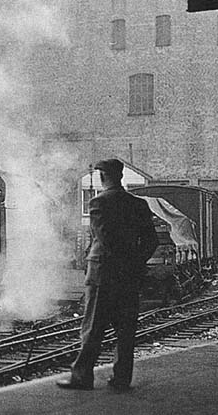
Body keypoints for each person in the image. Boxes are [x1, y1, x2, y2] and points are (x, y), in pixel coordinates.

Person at [57, 158, 158, 392]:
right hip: (129, 277)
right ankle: (122, 378)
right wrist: (135, 263)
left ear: (103, 177)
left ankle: (82, 377)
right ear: (121, 176)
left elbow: (105, 240)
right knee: (126, 330)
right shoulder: (139, 204)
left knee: (92, 328)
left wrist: (118, 263)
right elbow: (151, 240)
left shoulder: (98, 203)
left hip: (103, 274)